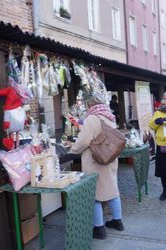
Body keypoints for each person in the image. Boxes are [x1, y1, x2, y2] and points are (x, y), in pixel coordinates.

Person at [70, 93, 124, 240]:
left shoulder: (92, 118)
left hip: (96, 160)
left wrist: (72, 150)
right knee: (112, 189)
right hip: (110, 158)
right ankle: (118, 221)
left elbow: (83, 141)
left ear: (89, 105)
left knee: (95, 195)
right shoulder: (109, 116)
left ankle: (99, 229)